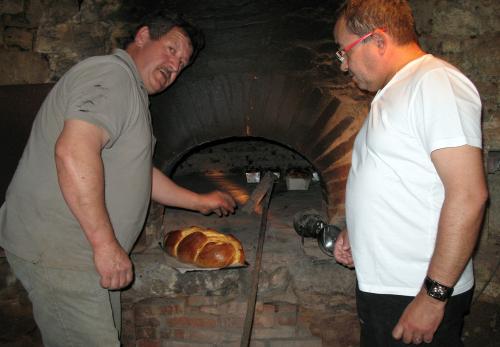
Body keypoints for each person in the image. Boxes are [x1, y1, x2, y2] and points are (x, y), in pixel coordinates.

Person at [0, 11, 236, 346]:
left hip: (78, 255)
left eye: (182, 63)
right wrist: (105, 245)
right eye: (171, 49)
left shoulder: (130, 90)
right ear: (142, 36)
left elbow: (140, 174)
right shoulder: (111, 75)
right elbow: (73, 152)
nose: (175, 66)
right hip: (66, 254)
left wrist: (199, 201)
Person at [332, 1, 488, 346]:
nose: (344, 67)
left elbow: (469, 195)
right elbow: (401, 182)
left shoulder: (436, 84)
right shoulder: (397, 90)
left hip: (415, 291)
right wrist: (355, 230)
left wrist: (433, 297)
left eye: (345, 52)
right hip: (390, 287)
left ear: (378, 40)